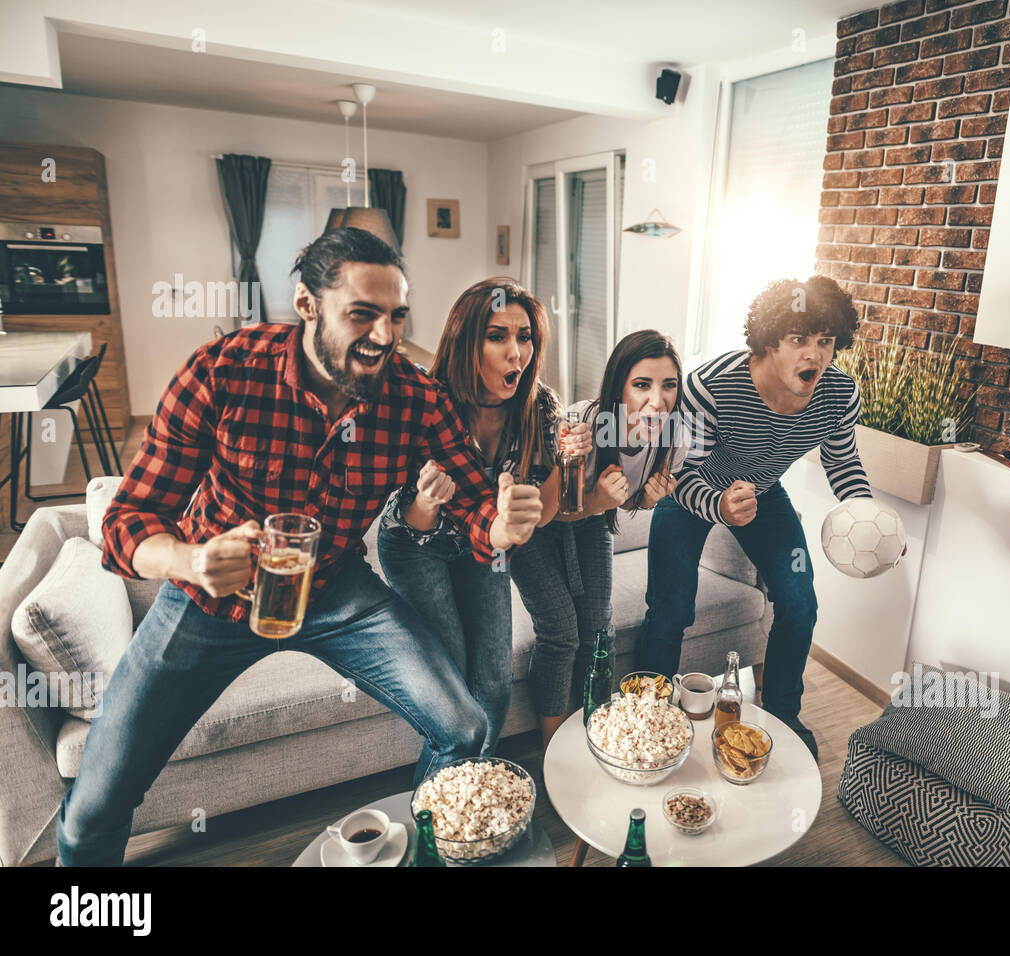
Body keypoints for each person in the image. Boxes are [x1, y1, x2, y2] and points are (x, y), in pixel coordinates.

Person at [55, 229, 544, 866]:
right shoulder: (224, 370)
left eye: (396, 316)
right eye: (362, 314)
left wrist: (500, 528)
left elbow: (478, 504)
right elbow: (128, 520)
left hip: (336, 590)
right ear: (307, 305)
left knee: (466, 727)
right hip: (209, 599)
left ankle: (432, 856)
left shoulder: (414, 397)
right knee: (94, 807)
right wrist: (189, 561)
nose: (384, 336)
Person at [635, 275, 885, 762]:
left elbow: (842, 462)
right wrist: (720, 506)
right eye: (799, 340)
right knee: (670, 609)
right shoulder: (712, 387)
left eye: (825, 341)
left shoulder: (839, 394)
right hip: (691, 491)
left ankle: (784, 717)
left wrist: (870, 517)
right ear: (769, 342)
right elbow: (679, 474)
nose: (814, 355)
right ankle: (649, 716)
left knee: (799, 601)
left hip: (764, 496)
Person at [375, 277, 591, 755]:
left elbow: (543, 514)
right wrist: (427, 502)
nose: (516, 353)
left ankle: (480, 782)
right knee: (452, 690)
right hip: (416, 545)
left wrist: (567, 462)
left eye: (525, 337)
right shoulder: (429, 403)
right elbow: (412, 520)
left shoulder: (540, 407)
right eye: (497, 337)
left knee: (493, 686)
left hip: (487, 549)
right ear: (466, 342)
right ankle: (445, 795)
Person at [513, 330, 689, 751]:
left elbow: (621, 501)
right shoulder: (583, 426)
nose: (657, 401)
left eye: (668, 385)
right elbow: (549, 514)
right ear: (618, 387)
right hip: (533, 523)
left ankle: (596, 733)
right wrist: (597, 502)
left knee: (597, 631)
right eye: (642, 384)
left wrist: (646, 500)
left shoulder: (674, 437)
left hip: (591, 519)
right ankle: (554, 749)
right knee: (561, 631)